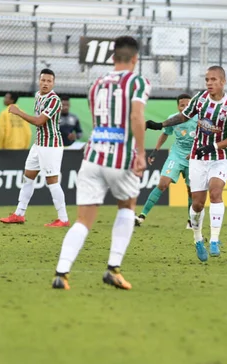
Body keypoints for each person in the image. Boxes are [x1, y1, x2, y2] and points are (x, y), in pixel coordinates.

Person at [51, 36, 150, 290]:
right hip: (120, 157)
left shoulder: (95, 84)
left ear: (113, 58)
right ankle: (113, 269)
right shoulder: (137, 82)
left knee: (82, 220)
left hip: (93, 155)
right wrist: (140, 152)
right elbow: (137, 116)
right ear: (135, 59)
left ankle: (61, 273)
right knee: (127, 207)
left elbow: (97, 120)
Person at [146, 65, 227, 262]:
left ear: (222, 82)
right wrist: (161, 124)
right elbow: (184, 116)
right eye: (207, 79)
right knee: (198, 204)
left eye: (213, 80)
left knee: (216, 192)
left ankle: (214, 239)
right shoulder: (200, 99)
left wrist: (213, 147)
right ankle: (198, 239)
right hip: (198, 158)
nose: (209, 83)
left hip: (220, 157)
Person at [0, 69, 69, 227]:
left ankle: (63, 218)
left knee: (52, 181)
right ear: (39, 81)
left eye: (49, 81)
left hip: (51, 146)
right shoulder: (38, 95)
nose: (45, 83)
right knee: (28, 177)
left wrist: (18, 112)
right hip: (39, 145)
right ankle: (19, 214)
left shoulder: (54, 100)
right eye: (43, 80)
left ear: (53, 83)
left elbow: (39, 121)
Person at [135, 93, 197, 229]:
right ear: (178, 107)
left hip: (193, 158)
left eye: (188, 105)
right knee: (162, 184)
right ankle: (142, 216)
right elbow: (165, 134)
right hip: (177, 155)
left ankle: (191, 221)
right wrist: (155, 151)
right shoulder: (173, 119)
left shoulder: (200, 119)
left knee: (192, 190)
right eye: (182, 105)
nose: (185, 107)